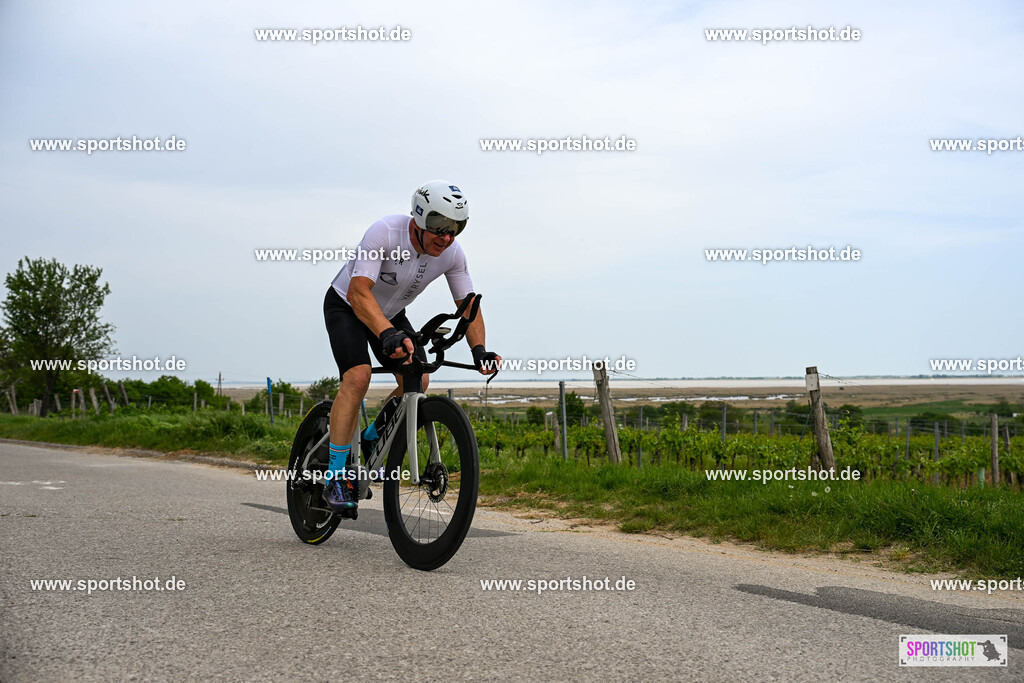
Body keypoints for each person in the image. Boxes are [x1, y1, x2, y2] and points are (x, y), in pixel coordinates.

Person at [321, 180, 500, 511]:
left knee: (419, 378)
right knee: (358, 377)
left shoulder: (452, 254)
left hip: (390, 314)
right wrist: (386, 334)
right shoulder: (385, 233)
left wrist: (479, 350)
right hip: (348, 305)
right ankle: (336, 477)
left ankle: (372, 437)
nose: (446, 237)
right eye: (439, 226)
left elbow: (469, 306)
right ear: (419, 217)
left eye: (456, 228)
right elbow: (359, 293)